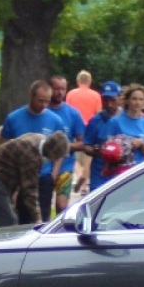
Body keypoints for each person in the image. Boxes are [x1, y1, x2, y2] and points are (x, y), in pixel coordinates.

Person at [0, 132, 69, 228]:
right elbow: (30, 192)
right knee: (7, 221)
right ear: (52, 152)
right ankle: (4, 241)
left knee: (12, 215)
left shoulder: (39, 138)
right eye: (58, 156)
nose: (57, 159)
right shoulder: (32, 157)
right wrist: (38, 219)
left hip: (5, 176)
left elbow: (18, 168)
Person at [42, 74, 86, 217]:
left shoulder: (73, 114)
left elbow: (83, 143)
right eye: (56, 89)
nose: (60, 92)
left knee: (61, 205)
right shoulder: (42, 111)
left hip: (65, 167)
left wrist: (64, 147)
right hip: (43, 166)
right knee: (43, 205)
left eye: (63, 89)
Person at [102, 83, 144, 178]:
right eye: (134, 99)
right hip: (120, 174)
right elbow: (106, 149)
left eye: (141, 100)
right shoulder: (115, 122)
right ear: (127, 101)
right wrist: (125, 146)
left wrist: (141, 144)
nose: (137, 102)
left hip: (141, 172)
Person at [83, 81, 123, 191]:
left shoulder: (126, 119)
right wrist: (97, 150)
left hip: (121, 173)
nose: (109, 104)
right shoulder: (95, 120)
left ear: (120, 98)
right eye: (106, 100)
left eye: (113, 100)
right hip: (99, 174)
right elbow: (86, 145)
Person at [66, 71, 102, 193]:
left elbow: (67, 111)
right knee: (88, 158)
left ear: (78, 81)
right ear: (90, 82)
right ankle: (84, 185)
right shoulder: (96, 95)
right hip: (90, 128)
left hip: (74, 128)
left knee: (74, 156)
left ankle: (80, 173)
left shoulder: (71, 94)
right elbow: (98, 113)